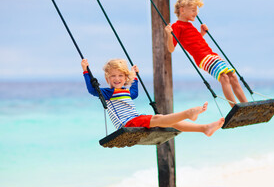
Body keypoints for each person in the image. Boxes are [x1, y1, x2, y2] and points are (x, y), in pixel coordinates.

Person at [81, 58, 224, 137]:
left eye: (120, 76)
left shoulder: (125, 91)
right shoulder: (108, 93)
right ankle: (188, 113)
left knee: (167, 121)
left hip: (135, 119)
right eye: (113, 76)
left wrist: (134, 76)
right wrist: (86, 71)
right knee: (158, 118)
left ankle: (204, 128)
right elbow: (93, 90)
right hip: (127, 124)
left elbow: (134, 93)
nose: (117, 79)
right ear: (107, 78)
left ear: (125, 78)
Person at [165, 0, 248, 107]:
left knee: (232, 76)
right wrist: (169, 35)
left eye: (196, 10)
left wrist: (201, 34)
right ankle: (234, 107)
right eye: (193, 10)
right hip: (203, 58)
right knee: (223, 77)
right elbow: (171, 49)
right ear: (182, 10)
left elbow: (193, 43)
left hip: (211, 54)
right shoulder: (177, 26)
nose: (196, 13)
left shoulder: (190, 25)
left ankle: (246, 105)